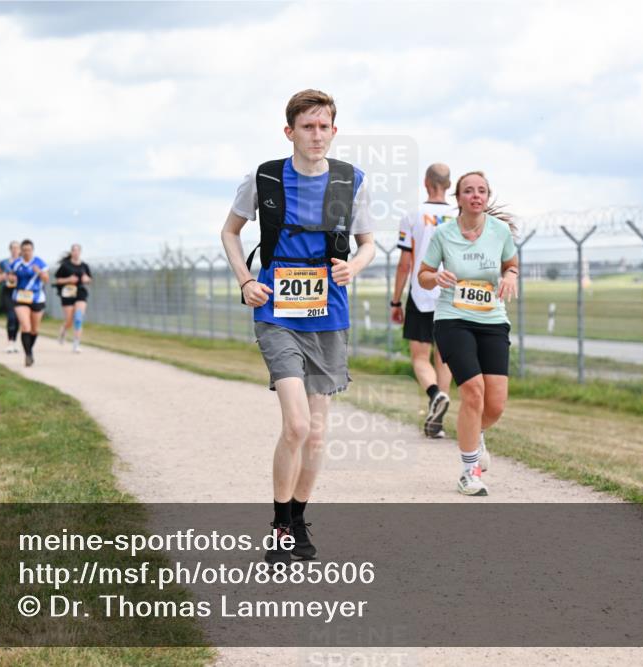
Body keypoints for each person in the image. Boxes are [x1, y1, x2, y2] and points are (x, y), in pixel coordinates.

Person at [221, 89, 376, 564]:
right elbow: (230, 231)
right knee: (296, 424)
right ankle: (279, 526)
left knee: (317, 434)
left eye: (323, 126)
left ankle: (297, 521)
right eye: (306, 127)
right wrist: (246, 280)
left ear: (334, 130)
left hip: (328, 310)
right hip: (276, 310)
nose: (315, 134)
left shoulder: (351, 181)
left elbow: (368, 243)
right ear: (289, 132)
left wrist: (357, 266)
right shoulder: (264, 177)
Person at [418, 171, 519, 497]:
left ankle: (474, 433)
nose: (476, 195)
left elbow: (511, 264)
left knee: (496, 405)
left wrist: (511, 276)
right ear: (457, 197)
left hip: (492, 319)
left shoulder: (500, 231)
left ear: (487, 196)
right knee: (473, 391)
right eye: (468, 190)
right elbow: (423, 275)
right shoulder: (443, 234)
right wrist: (437, 277)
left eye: (482, 190)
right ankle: (468, 472)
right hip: (453, 319)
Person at [391, 163, 455, 438]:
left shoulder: (413, 216)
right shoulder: (458, 215)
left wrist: (395, 301)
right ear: (450, 185)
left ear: (427, 183)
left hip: (422, 292)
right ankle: (437, 420)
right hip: (453, 294)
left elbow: (405, 264)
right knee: (445, 358)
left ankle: (433, 396)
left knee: (420, 357)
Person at [8, 239, 50, 367]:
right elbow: (11, 279)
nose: (26, 252)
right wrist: (11, 279)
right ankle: (28, 355)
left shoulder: (39, 262)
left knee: (34, 329)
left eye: (29, 250)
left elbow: (46, 279)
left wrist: (40, 272)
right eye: (24, 250)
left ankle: (29, 349)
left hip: (37, 298)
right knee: (26, 327)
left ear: (33, 250)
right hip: (20, 298)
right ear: (21, 250)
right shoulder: (16, 263)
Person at [54, 244, 93, 353]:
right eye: (74, 250)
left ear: (80, 252)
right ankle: (63, 330)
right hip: (67, 293)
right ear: (71, 252)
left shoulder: (84, 266)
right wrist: (68, 279)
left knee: (78, 318)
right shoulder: (65, 266)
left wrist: (87, 279)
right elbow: (57, 280)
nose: (76, 252)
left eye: (78, 250)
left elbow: (90, 279)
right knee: (69, 320)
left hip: (80, 292)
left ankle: (76, 344)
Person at [0, 241, 22, 353]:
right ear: (10, 249)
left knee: (18, 318)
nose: (15, 250)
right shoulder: (4, 263)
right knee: (11, 316)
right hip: (8, 292)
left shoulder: (22, 263)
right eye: (13, 248)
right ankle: (10, 342)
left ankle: (15, 341)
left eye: (17, 248)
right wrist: (2, 277)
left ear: (20, 250)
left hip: (20, 292)